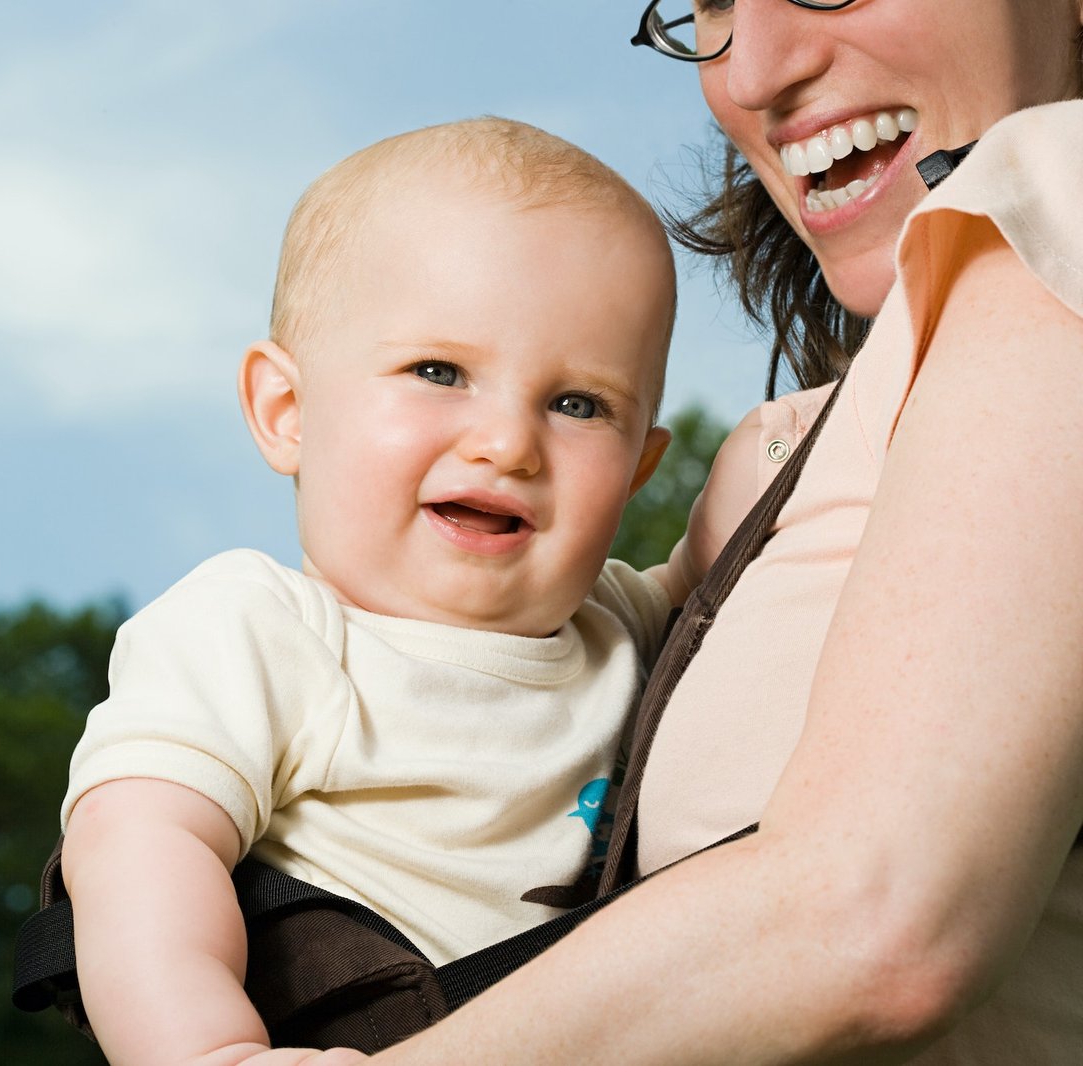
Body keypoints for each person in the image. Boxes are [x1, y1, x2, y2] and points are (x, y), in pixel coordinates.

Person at [362, 1, 1083, 1063]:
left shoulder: (1058, 180)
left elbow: (873, 915)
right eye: (708, 5)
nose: (751, 75)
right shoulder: (785, 455)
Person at [57, 118, 764, 1066]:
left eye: (578, 404)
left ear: (640, 469)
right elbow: (135, 843)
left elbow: (728, 560)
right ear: (289, 412)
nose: (507, 443)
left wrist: (788, 444)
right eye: (439, 372)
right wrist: (209, 1049)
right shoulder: (261, 630)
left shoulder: (617, 626)